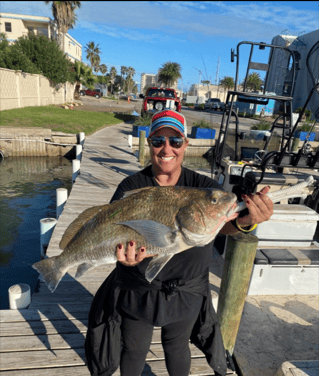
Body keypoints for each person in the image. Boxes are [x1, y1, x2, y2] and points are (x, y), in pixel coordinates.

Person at [85, 109, 273, 376]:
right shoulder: (130, 186)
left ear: (186, 144)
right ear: (149, 143)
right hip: (139, 287)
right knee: (134, 349)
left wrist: (246, 222)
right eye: (158, 141)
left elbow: (222, 224)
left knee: (177, 348)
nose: (166, 149)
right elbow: (111, 230)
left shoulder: (204, 188)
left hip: (187, 289)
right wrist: (122, 258)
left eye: (175, 141)